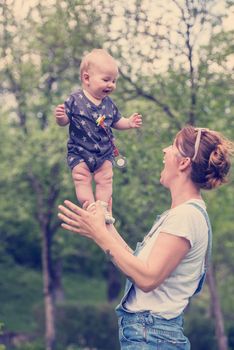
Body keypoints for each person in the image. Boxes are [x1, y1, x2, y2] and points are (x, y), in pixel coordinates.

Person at [58, 125, 233, 349]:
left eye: (172, 146)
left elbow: (148, 279)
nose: (164, 151)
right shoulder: (180, 215)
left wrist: (100, 235)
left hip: (152, 336)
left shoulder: (186, 216)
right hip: (148, 334)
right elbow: (140, 267)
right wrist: (105, 228)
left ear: (183, 163)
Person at [55, 48, 142, 224]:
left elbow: (117, 122)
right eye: (106, 80)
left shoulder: (109, 104)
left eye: (114, 81)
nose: (111, 85)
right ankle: (90, 207)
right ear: (86, 78)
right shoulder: (75, 100)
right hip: (79, 152)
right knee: (81, 178)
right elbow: (65, 121)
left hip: (104, 152)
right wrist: (61, 117)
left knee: (106, 178)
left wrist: (129, 123)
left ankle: (102, 207)